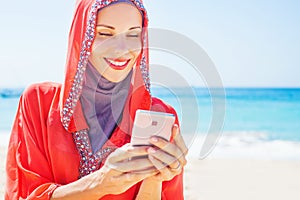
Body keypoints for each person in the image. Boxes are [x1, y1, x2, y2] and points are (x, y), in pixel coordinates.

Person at [5, 0, 188, 199]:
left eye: (133, 34)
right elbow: (22, 194)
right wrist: (99, 184)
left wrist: (154, 178)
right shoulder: (38, 103)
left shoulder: (159, 115)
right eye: (105, 33)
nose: (122, 49)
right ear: (82, 34)